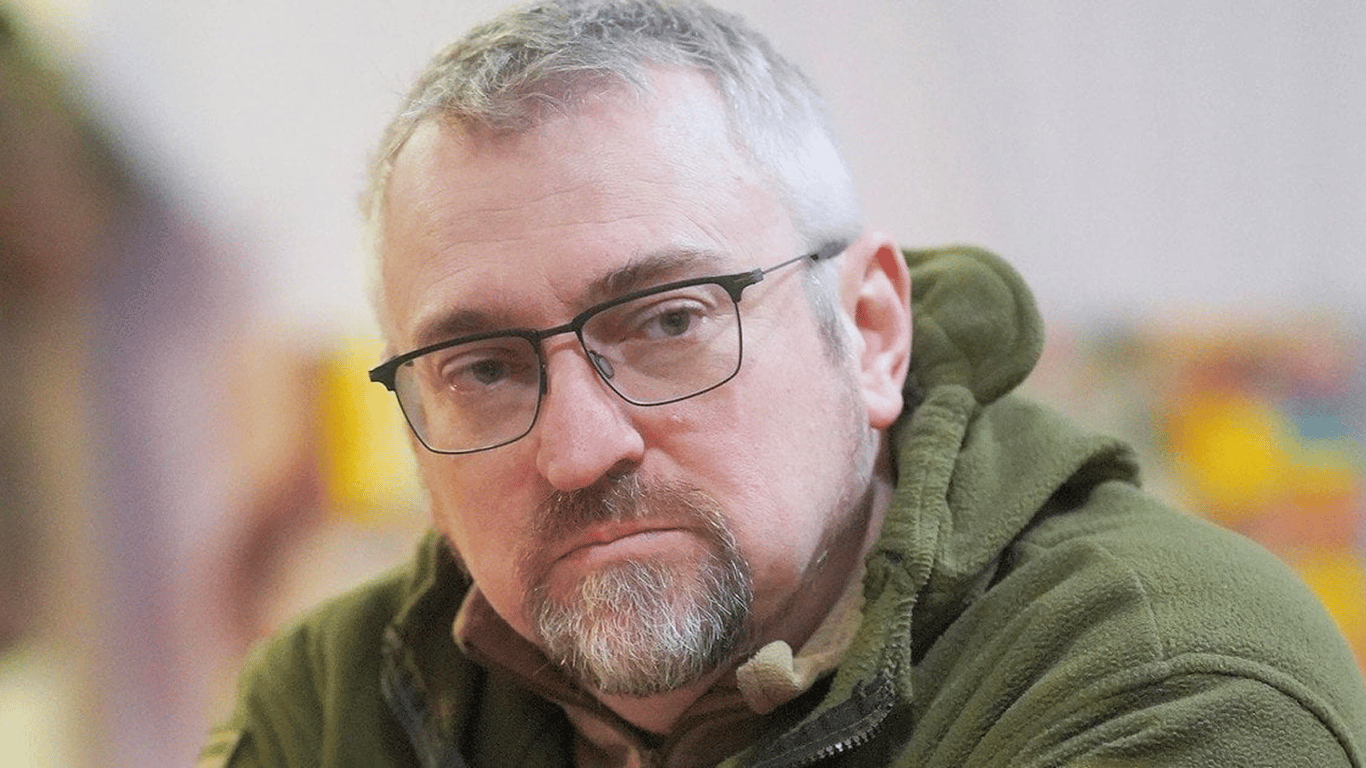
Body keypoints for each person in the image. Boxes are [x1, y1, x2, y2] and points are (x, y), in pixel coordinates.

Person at [200, 1, 1366, 766]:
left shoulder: (1164, 686)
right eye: (485, 368)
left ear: (870, 334)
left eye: (669, 321)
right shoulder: (339, 700)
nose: (580, 447)